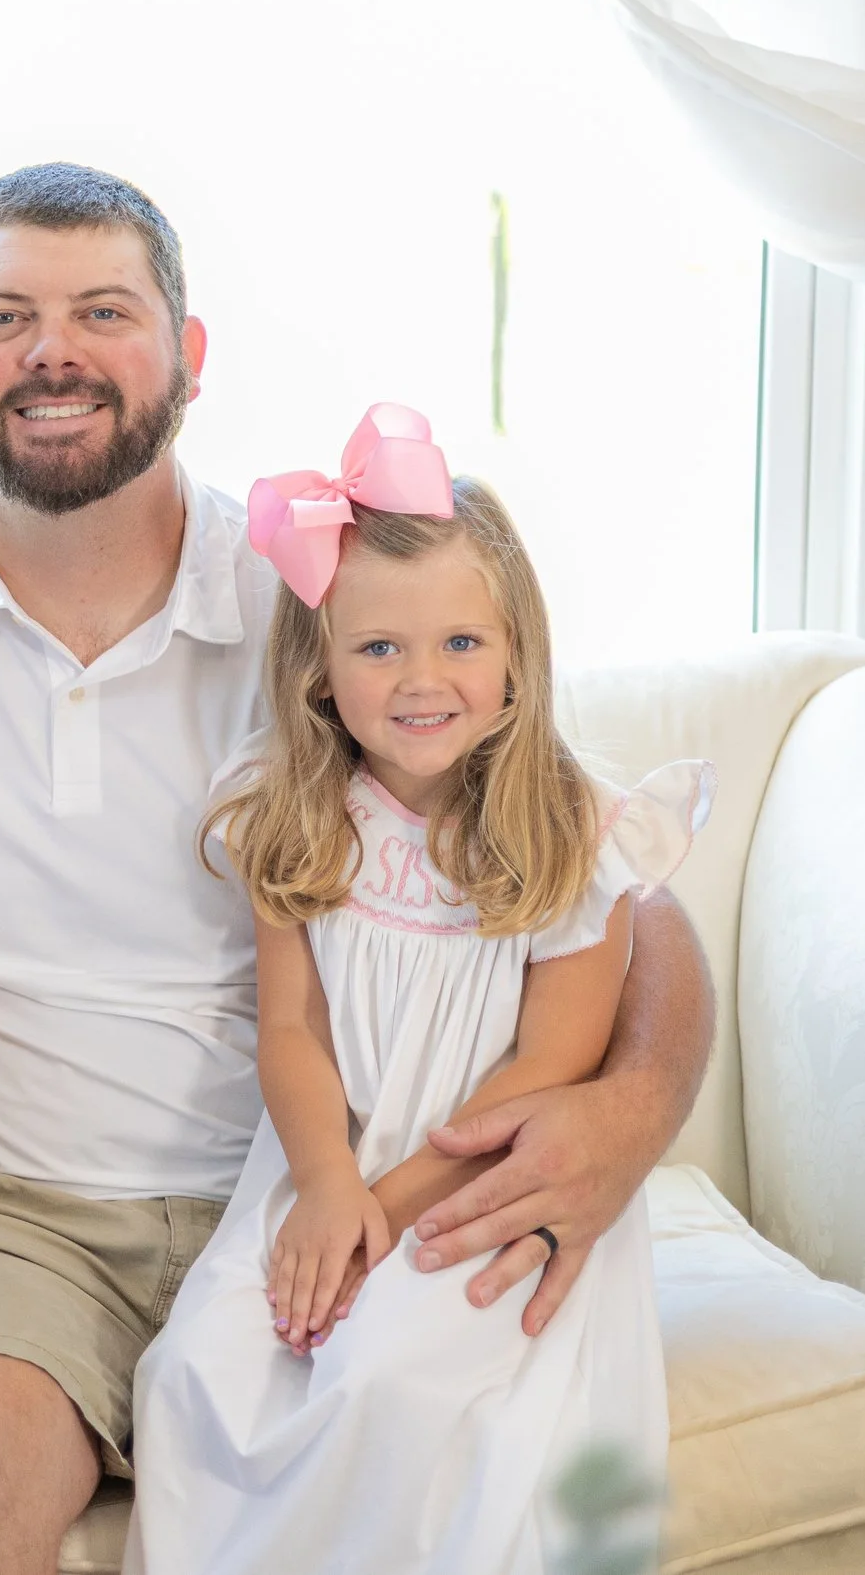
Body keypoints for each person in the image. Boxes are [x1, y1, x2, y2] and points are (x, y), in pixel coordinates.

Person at [0, 163, 717, 1574]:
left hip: (333, 1179)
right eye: (2, 315)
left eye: (103, 311)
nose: (52, 351)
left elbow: (609, 881)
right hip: (1, 1221)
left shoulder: (339, 600)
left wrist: (633, 1108)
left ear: (189, 356)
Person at [123, 425, 709, 1572]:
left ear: (513, 658)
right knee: (196, 1368)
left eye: (459, 641)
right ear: (320, 667)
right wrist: (330, 1186)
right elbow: (287, 1027)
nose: (423, 679)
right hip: (324, 1162)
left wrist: (383, 1212)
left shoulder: (572, 832)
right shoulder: (293, 814)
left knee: (384, 1375)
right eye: (379, 646)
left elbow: (545, 1069)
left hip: (484, 1179)